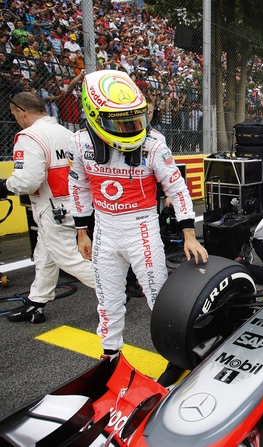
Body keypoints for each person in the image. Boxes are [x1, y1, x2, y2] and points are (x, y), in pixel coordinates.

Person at [68, 70, 208, 359]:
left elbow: (177, 188)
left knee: (160, 300)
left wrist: (189, 234)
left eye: (134, 119)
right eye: (118, 121)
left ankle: (179, 356)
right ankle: (110, 356)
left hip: (141, 231)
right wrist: (82, 231)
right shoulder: (79, 142)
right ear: (94, 117)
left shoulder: (154, 142)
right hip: (104, 231)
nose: (129, 127)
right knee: (107, 301)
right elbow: (78, 185)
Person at [0, 92, 95, 323]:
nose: (15, 120)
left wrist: (5, 186)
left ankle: (116, 289)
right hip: (73, 204)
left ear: (21, 113)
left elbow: (28, 181)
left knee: (68, 259)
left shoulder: (29, 136)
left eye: (14, 115)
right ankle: (36, 303)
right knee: (44, 255)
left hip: (51, 208)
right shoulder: (67, 133)